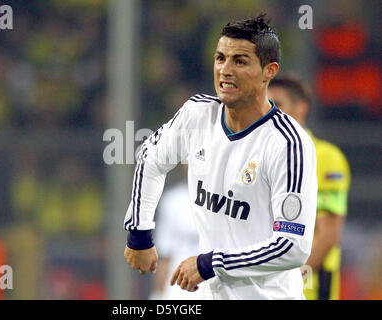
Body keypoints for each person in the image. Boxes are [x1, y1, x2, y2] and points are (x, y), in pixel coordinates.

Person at [123, 14, 317, 300]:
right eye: (220, 58)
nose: (225, 70)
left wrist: (210, 263)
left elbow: (292, 247)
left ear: (269, 71)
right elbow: (150, 159)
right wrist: (139, 232)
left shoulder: (288, 144)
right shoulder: (196, 115)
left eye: (240, 61)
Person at [268, 74, 351, 300]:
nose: (270, 112)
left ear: (302, 108)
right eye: (266, 105)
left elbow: (327, 236)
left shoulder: (325, 157)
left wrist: (285, 282)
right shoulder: (264, 157)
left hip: (309, 288)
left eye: (278, 104)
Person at [149, 171, 200, 300]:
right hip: (178, 290)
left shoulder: (226, 199)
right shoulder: (171, 201)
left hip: (216, 286)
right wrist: (158, 295)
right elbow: (165, 255)